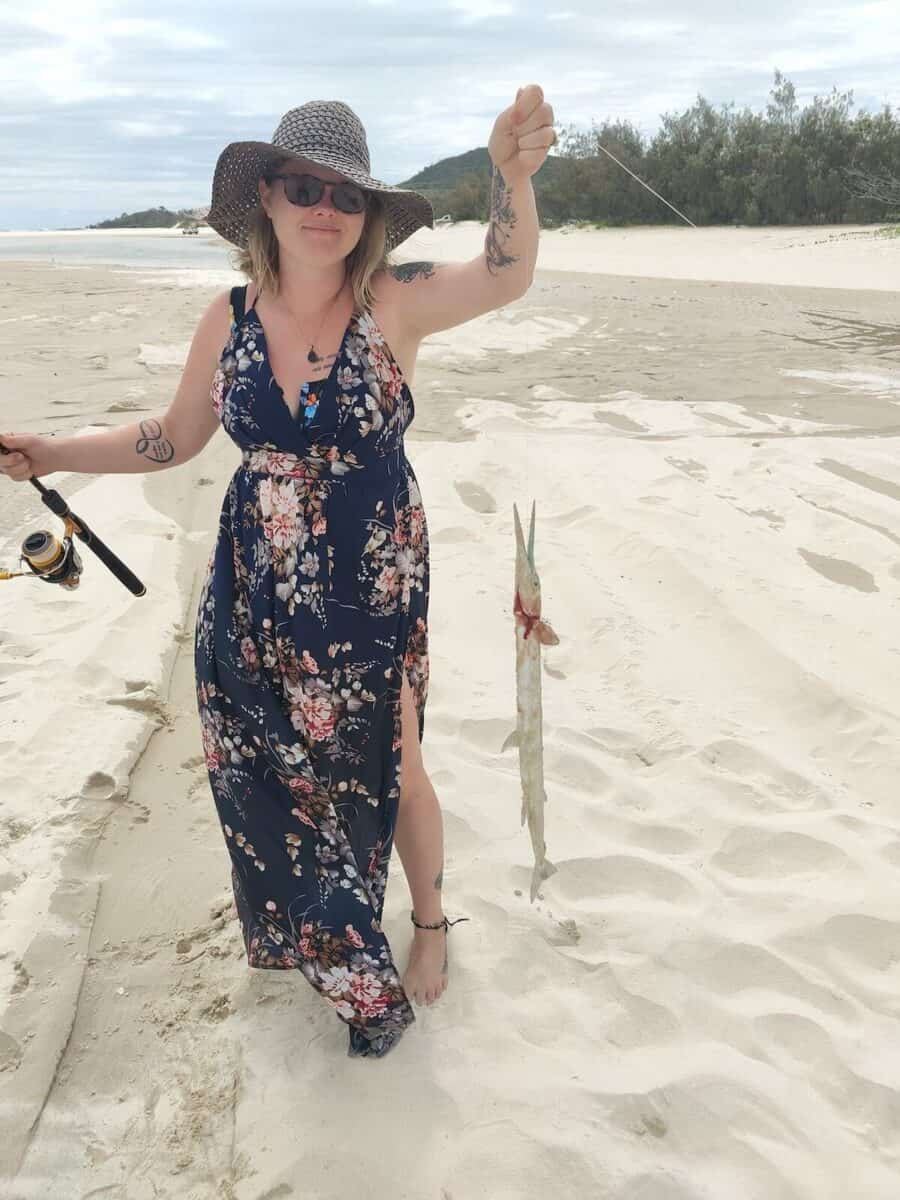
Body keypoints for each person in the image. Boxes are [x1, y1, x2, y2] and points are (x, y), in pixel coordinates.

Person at [1, 90, 555, 1057]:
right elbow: (172, 439)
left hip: (368, 576)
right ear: (268, 196)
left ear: (370, 211)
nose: (324, 207)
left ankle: (426, 924)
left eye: (346, 192)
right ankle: (328, 928)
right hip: (255, 579)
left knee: (394, 757)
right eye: (305, 186)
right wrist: (51, 449)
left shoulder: (396, 298)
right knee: (265, 769)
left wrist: (512, 179)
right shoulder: (227, 317)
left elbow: (503, 275)